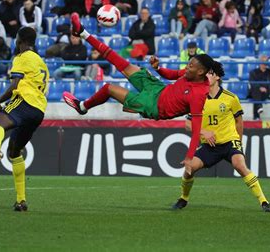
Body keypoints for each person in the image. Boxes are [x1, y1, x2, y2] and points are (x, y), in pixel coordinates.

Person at [63, 12, 217, 173]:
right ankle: (83, 32)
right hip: (158, 88)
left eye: (191, 66)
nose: (187, 67)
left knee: (108, 88)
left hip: (153, 106)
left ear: (200, 72)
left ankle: (82, 106)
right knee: (120, 62)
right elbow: (172, 75)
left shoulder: (199, 95)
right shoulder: (189, 73)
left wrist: (189, 157)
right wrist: (157, 68)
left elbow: (196, 129)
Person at [172, 65, 270, 213]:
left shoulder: (231, 98)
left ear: (217, 77)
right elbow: (188, 124)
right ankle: (183, 198)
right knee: (189, 168)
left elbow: (239, 121)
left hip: (229, 142)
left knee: (240, 166)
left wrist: (238, 141)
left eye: (210, 74)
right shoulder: (197, 98)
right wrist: (203, 132)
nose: (206, 77)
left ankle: (264, 201)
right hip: (210, 145)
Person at [0, 27, 49, 212]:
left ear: (19, 40)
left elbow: (15, 85)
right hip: (39, 110)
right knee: (15, 152)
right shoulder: (41, 62)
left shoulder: (21, 58)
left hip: (24, 102)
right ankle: (21, 201)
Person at [249, 55, 270, 120]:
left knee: (256, 94)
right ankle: (259, 107)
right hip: (256, 91)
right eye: (263, 62)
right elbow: (252, 83)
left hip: (267, 92)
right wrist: (260, 88)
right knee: (256, 90)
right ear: (260, 63)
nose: (264, 64)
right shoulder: (254, 72)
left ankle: (256, 115)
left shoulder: (269, 72)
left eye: (266, 62)